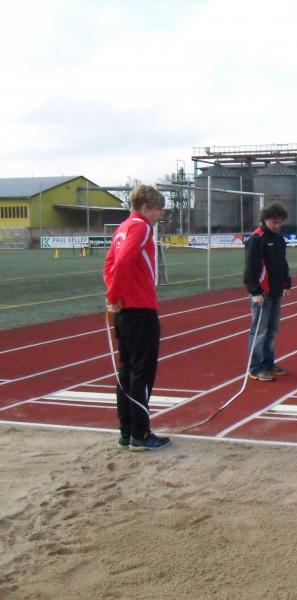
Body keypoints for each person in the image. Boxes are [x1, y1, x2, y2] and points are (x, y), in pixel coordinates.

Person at [103, 184, 170, 451]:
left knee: (127, 370)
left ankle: (127, 431)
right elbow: (121, 262)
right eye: (158, 210)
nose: (160, 215)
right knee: (142, 371)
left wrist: (114, 294)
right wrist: (114, 295)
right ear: (146, 207)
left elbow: (109, 264)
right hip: (140, 309)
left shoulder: (122, 228)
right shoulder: (140, 227)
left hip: (126, 310)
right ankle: (140, 434)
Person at [244, 203, 292, 382]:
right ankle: (255, 368)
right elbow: (250, 267)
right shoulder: (257, 238)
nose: (278, 225)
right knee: (260, 331)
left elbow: (282, 263)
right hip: (262, 293)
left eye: (280, 222)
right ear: (265, 220)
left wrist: (286, 283)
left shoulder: (279, 238)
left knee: (272, 330)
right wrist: (254, 291)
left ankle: (268, 363)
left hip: (276, 291)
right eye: (274, 222)